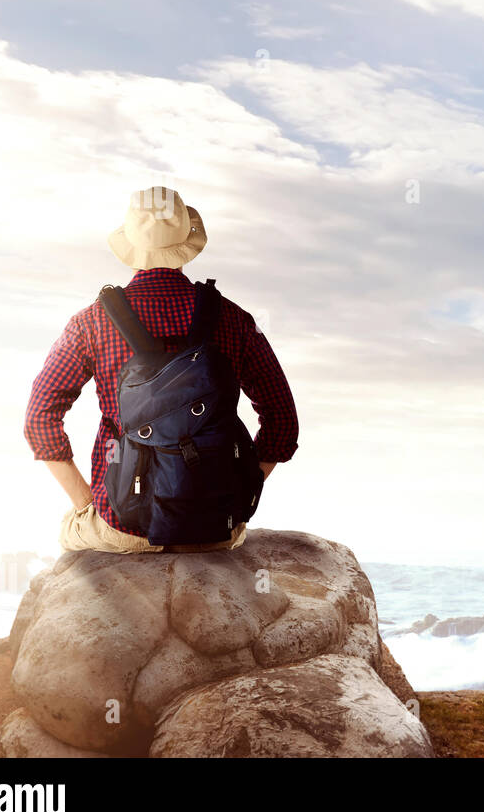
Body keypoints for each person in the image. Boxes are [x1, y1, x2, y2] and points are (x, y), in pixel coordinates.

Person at [24, 187, 298, 553]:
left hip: (123, 526)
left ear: (131, 246)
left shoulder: (92, 323)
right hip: (215, 530)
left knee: (67, 530)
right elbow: (283, 422)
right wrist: (236, 491)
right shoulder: (234, 320)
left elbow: (39, 419)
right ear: (186, 242)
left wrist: (89, 505)